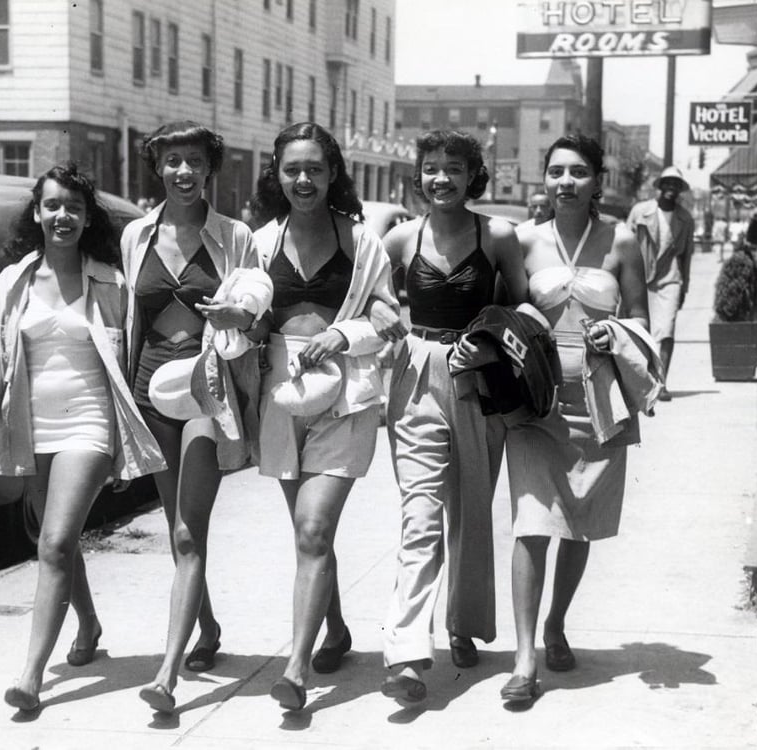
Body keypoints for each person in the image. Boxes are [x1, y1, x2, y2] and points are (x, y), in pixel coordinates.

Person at [0, 163, 166, 712]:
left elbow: (133, 356)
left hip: (89, 422)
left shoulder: (112, 283)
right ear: (37, 213)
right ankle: (89, 623)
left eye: (74, 207)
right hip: (31, 424)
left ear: (87, 217)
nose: (63, 216)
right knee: (56, 537)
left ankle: (30, 677)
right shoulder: (13, 282)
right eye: (52, 205)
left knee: (52, 544)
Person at [366, 130, 529, 705]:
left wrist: (492, 341)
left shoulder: (498, 236)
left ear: (472, 176)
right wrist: (382, 309)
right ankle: (407, 652)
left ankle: (463, 623)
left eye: (454, 168)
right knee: (421, 516)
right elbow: (366, 294)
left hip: (478, 378)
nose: (441, 178)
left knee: (471, 511)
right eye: (431, 168)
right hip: (416, 374)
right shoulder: (399, 238)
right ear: (418, 176)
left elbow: (521, 306)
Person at [251, 122, 399, 711]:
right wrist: (239, 322)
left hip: (345, 396)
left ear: (333, 172)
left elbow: (388, 321)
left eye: (315, 168)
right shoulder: (261, 243)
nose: (304, 180)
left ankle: (295, 670)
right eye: (293, 169)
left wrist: (344, 333)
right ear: (278, 174)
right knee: (309, 533)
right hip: (283, 396)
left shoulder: (362, 243)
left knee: (314, 529)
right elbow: (249, 319)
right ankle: (334, 630)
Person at [122, 121, 266, 715]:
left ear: (211, 169)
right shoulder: (136, 234)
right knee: (176, 526)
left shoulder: (235, 236)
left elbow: (259, 319)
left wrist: (241, 316)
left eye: (195, 161)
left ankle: (166, 676)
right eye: (173, 160)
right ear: (157, 167)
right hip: (148, 390)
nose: (184, 171)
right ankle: (206, 629)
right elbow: (125, 315)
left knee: (187, 531)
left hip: (208, 389)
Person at [505, 135, 653, 705]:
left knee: (579, 523)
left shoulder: (621, 240)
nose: (565, 182)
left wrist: (615, 332)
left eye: (578, 172)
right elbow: (501, 319)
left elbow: (640, 317)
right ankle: (524, 659)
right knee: (532, 525)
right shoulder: (522, 240)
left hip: (600, 403)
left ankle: (556, 623)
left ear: (597, 181)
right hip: (536, 404)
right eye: (556, 171)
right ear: (544, 179)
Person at [625, 165, 694, 401]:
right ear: (661, 186)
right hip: (641, 277)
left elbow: (687, 256)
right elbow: (624, 246)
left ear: (680, 189)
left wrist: (684, 288)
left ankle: (661, 383)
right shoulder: (640, 211)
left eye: (676, 184)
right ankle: (640, 382)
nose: (671, 188)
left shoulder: (685, 219)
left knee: (666, 330)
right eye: (668, 183)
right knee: (639, 330)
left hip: (670, 278)